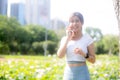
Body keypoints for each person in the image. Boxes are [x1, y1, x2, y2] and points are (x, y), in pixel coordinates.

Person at [57, 12, 96, 80]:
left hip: (82, 74)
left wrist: (83, 54)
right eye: (72, 21)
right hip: (68, 74)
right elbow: (60, 55)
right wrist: (68, 38)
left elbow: (93, 60)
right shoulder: (65, 39)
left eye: (77, 21)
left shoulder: (87, 38)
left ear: (82, 23)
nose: (74, 23)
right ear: (69, 24)